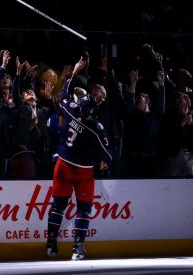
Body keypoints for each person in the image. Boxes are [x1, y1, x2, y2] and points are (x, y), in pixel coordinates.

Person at [45, 57, 112, 261]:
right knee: (83, 209)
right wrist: (106, 162)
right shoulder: (95, 129)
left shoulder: (68, 109)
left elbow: (63, 94)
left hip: (63, 165)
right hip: (82, 171)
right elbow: (107, 155)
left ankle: (51, 244)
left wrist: (73, 74)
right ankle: (77, 248)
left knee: (58, 206)